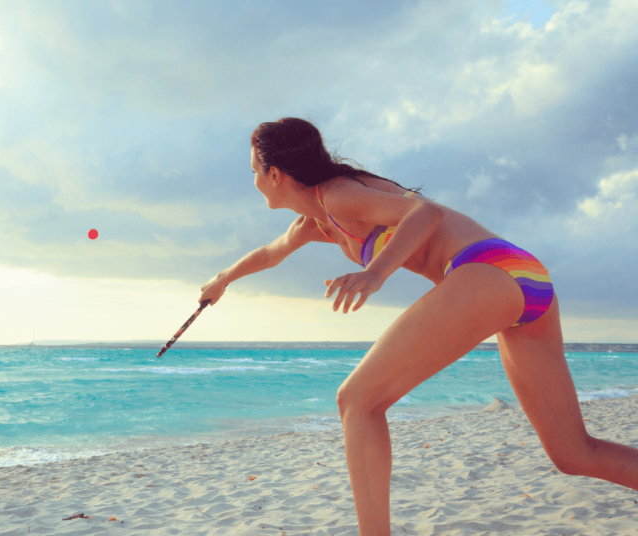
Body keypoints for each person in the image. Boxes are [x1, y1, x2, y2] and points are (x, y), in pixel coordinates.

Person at [199, 118, 638, 535]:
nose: (252, 179)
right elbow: (270, 252)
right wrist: (222, 281)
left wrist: (375, 273)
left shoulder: (338, 196)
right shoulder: (318, 222)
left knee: (357, 400)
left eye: (254, 170)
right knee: (574, 453)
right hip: (523, 277)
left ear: (274, 173)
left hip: (487, 270)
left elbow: (424, 214)